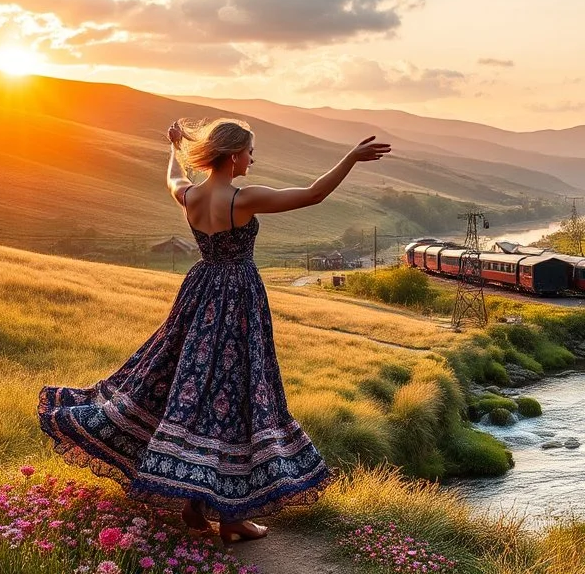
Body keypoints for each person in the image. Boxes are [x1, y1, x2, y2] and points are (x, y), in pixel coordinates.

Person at [38, 117, 390, 542]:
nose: (253, 158)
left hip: (200, 292)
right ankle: (232, 517)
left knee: (190, 386)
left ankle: (195, 506)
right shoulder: (241, 199)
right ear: (233, 155)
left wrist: (173, 148)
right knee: (236, 398)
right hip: (238, 300)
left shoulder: (190, 195)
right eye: (250, 151)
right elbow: (313, 195)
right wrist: (350, 158)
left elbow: (173, 176)